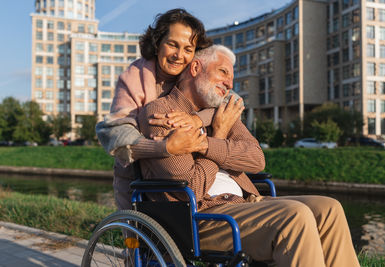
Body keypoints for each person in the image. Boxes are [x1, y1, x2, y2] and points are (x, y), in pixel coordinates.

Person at [138, 44, 360, 267]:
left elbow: (256, 159)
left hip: (245, 202)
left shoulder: (223, 114)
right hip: (202, 216)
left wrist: (207, 143)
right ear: (196, 67)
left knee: (329, 209)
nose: (229, 84)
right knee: (295, 216)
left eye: (232, 78)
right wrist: (222, 134)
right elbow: (191, 190)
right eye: (223, 72)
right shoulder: (162, 113)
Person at [96, 9, 243, 211]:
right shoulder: (134, 77)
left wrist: (197, 120)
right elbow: (116, 133)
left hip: (192, 172)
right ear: (157, 44)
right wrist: (164, 147)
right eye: (172, 44)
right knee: (137, 235)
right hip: (139, 175)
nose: (179, 56)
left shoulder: (195, 73)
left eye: (188, 49)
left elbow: (232, 100)